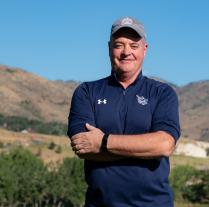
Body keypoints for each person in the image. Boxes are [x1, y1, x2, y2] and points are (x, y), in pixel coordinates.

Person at [67, 16, 180, 207]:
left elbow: (163, 145)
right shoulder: (87, 91)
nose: (126, 52)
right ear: (109, 47)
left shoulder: (162, 93)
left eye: (133, 46)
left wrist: (103, 141)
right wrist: (144, 148)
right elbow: (83, 146)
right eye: (119, 45)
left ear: (145, 49)